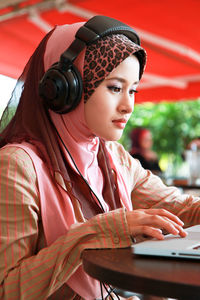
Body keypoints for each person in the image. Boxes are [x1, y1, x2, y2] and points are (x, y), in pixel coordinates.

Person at [0, 15, 199, 300]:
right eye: (114, 88)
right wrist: (94, 233)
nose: (128, 105)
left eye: (132, 90)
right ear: (63, 88)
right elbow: (8, 289)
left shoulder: (113, 157)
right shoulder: (17, 166)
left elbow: (182, 211)